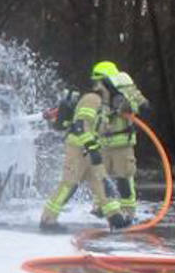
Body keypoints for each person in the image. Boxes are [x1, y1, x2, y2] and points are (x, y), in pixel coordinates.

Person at [39, 61, 130, 232]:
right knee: (69, 184)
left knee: (101, 183)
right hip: (78, 148)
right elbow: (81, 125)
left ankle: (115, 217)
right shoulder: (91, 99)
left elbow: (98, 128)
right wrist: (91, 146)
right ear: (106, 81)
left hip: (91, 150)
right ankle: (47, 220)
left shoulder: (103, 104)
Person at [98, 70, 148, 218]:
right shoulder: (100, 94)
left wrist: (125, 105)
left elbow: (139, 105)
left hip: (122, 144)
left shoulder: (125, 88)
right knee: (101, 179)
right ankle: (103, 209)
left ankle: (128, 212)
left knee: (124, 179)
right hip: (104, 145)